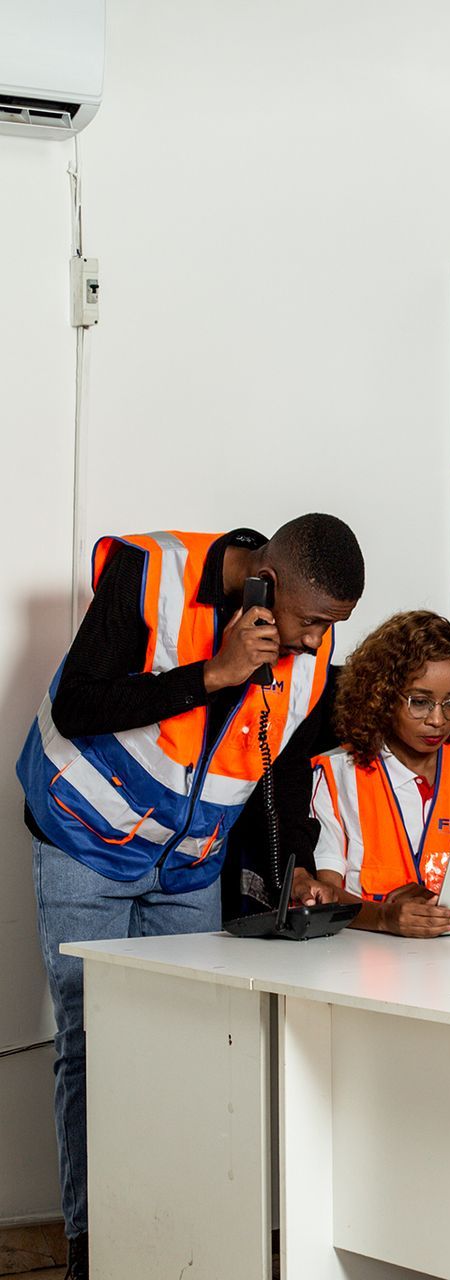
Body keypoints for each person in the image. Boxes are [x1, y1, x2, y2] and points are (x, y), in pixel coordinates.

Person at [18, 514, 362, 1276]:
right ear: (266, 582)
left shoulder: (307, 647)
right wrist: (214, 673)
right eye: (312, 622)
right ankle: (91, 1249)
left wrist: (298, 867)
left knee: (193, 1044)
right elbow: (78, 706)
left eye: (330, 626)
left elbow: (282, 770)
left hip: (189, 864)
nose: (317, 642)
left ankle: (172, 1239)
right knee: (91, 1042)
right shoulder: (150, 575)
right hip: (88, 838)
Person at [310, 611, 450, 937]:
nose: (437, 720)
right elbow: (325, 894)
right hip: (364, 955)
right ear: (381, 696)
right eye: (420, 702)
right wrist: (384, 917)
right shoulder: (337, 775)